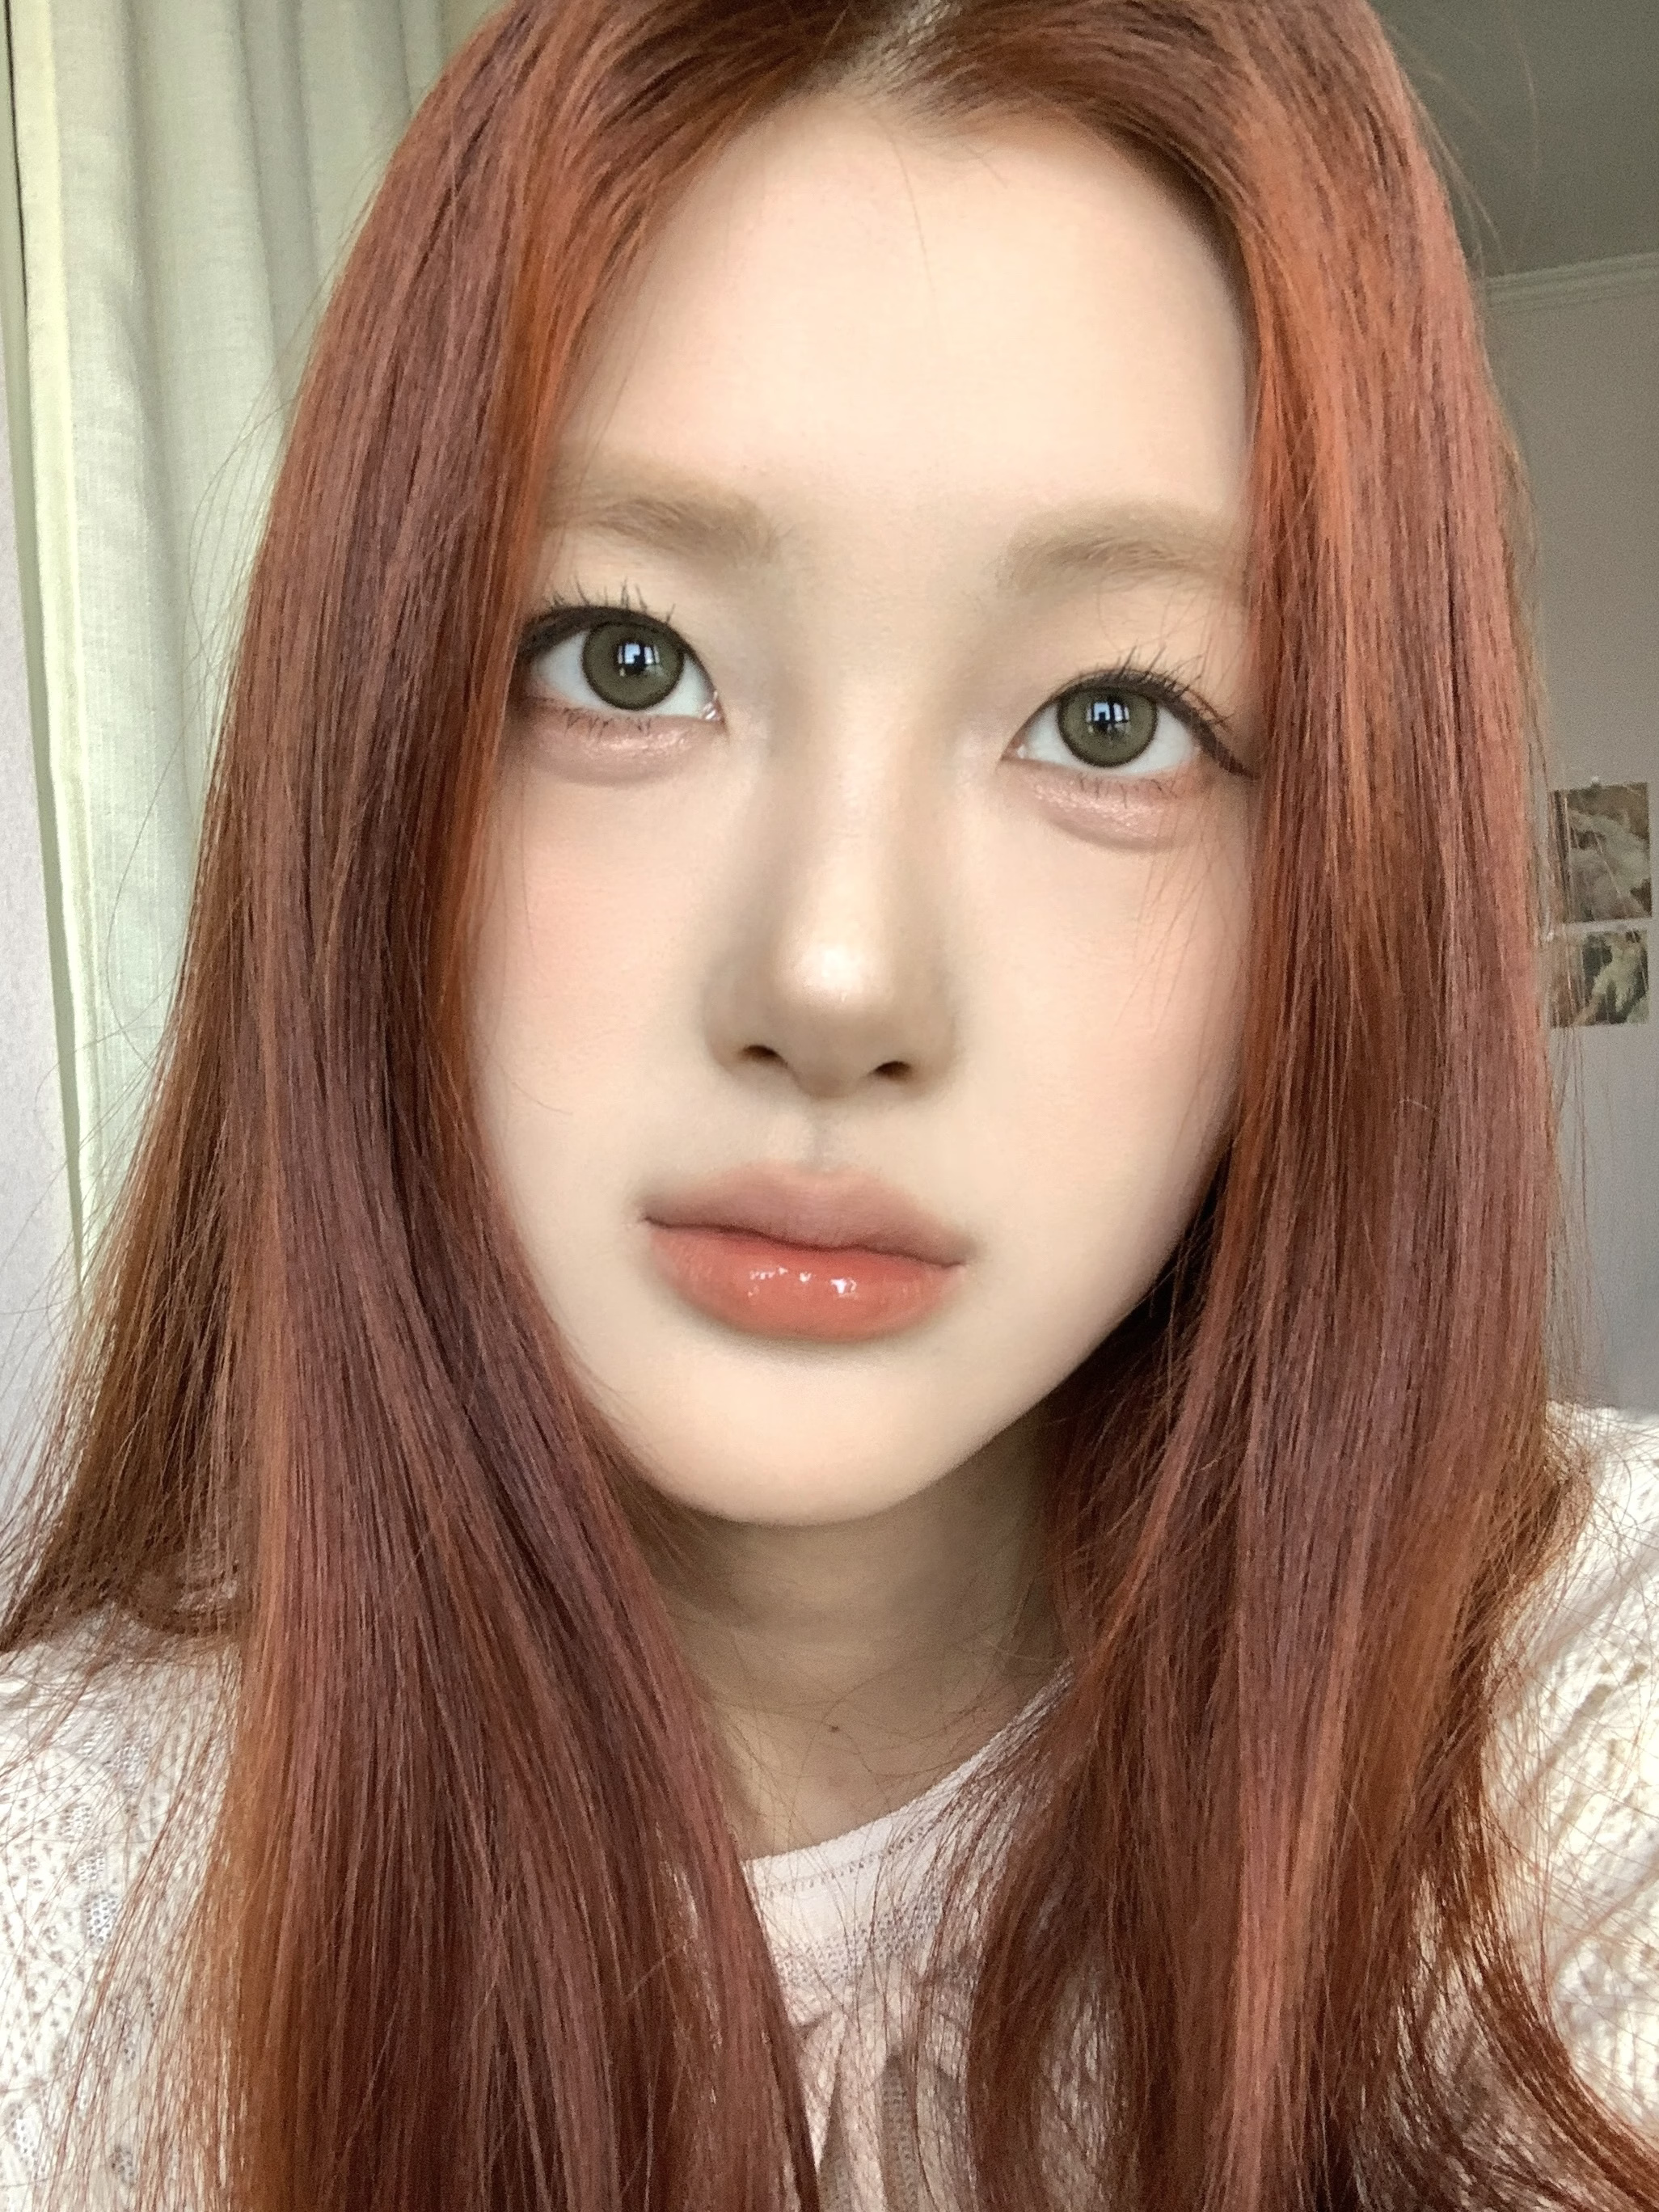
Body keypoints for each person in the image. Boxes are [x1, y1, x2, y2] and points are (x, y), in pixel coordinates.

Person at [2, 1, 1657, 2207]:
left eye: (1111, 718)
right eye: (625, 661)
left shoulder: (1574, 1734)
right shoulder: (67, 1899)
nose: (836, 979)